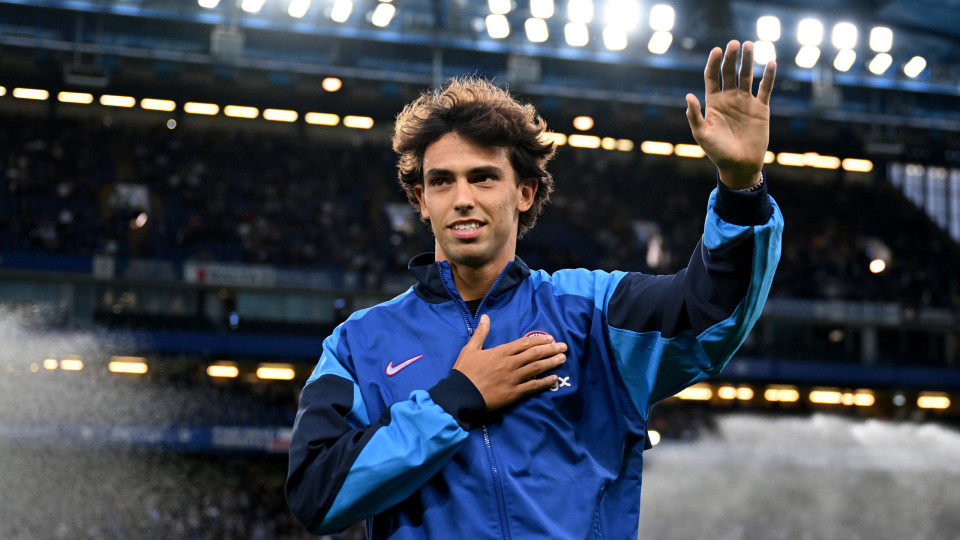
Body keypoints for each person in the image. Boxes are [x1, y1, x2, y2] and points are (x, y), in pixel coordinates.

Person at [287, 40, 783, 539]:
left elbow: (712, 310)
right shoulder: (360, 343)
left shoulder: (591, 313)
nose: (461, 199)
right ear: (420, 199)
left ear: (523, 192)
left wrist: (741, 188)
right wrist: (455, 399)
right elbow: (316, 493)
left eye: (483, 178)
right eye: (441, 182)